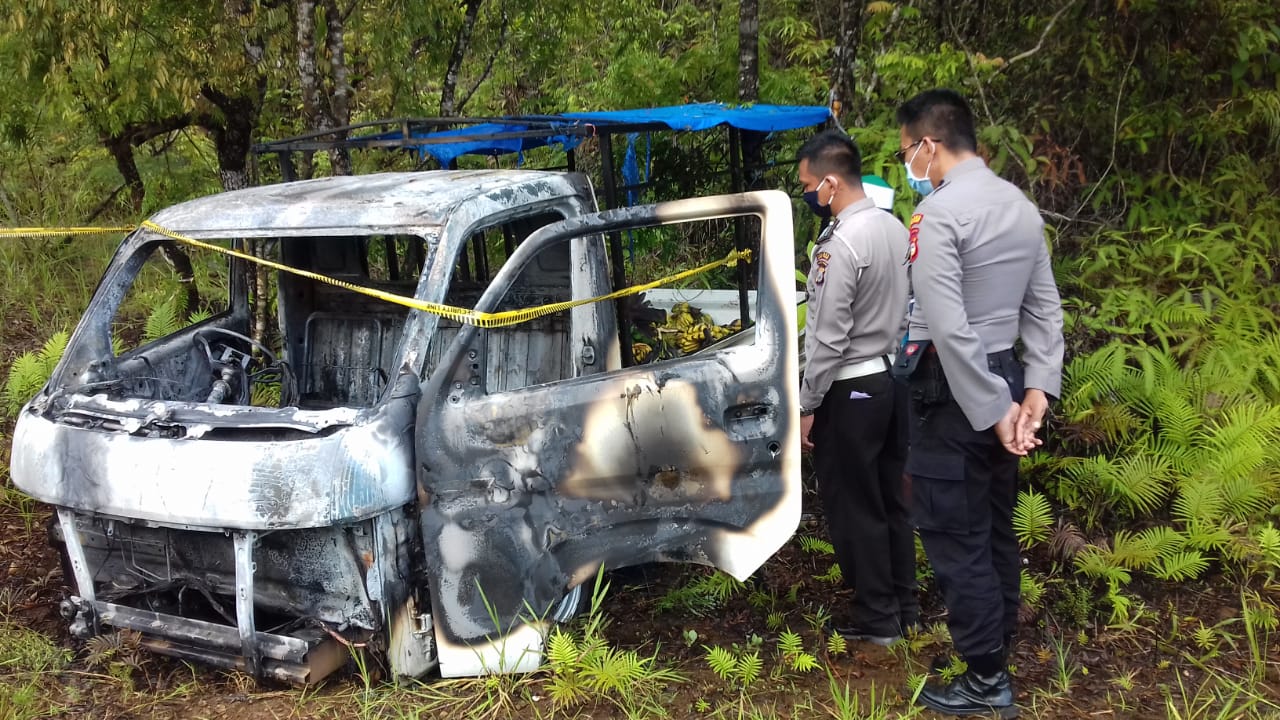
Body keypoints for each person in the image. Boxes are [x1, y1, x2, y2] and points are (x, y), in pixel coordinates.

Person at [893, 89, 1064, 718]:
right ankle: (996, 652)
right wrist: (1033, 395)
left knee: (953, 531)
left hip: (955, 387)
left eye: (909, 150)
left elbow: (947, 323)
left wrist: (993, 411)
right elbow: (1044, 309)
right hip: (1008, 377)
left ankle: (987, 682)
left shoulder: (938, 215)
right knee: (992, 526)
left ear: (930, 145)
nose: (912, 163)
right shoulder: (1019, 206)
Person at [795, 129, 918, 646]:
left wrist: (807, 403)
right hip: (892, 379)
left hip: (851, 386)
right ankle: (904, 606)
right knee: (891, 499)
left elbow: (827, 338)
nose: (807, 195)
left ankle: (877, 617)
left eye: (807, 185)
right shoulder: (892, 227)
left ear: (829, 182)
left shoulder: (839, 244)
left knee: (854, 504)